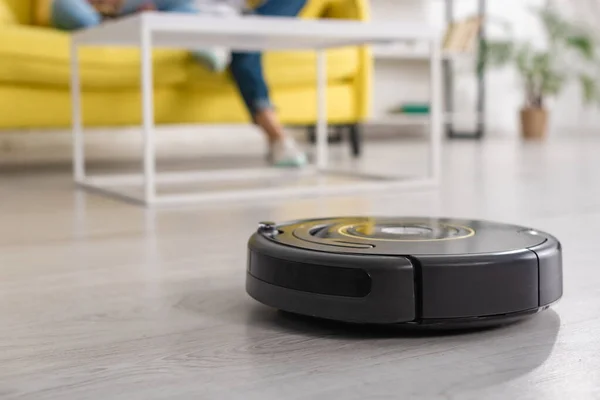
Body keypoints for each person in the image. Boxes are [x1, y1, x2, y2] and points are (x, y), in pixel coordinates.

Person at [51, 0, 308, 167]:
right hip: (168, 15)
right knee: (246, 46)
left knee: (247, 37)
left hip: (235, 16)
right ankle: (277, 136)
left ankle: (232, 36)